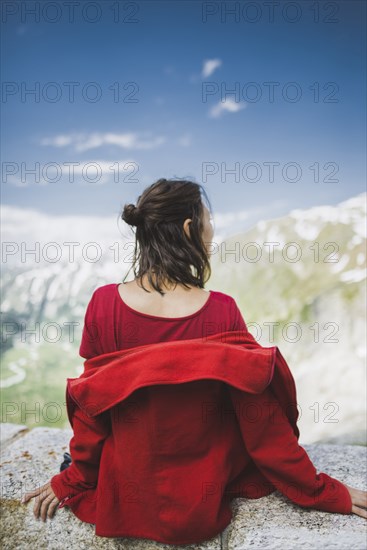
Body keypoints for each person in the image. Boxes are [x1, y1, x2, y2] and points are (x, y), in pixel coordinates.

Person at [21, 178, 367, 529]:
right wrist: (321, 490)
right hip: (202, 500)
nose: (212, 230)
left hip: (128, 495)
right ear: (190, 228)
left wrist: (73, 477)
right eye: (208, 219)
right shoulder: (222, 311)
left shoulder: (104, 305)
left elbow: (92, 411)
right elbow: (261, 423)